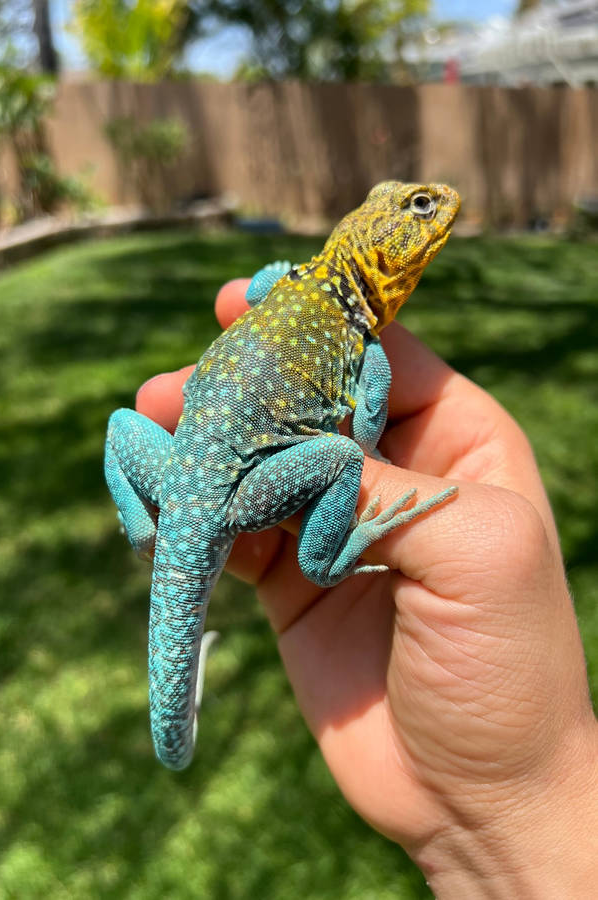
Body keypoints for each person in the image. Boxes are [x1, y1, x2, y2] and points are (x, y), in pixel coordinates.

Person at [136, 278, 598, 897]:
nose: (433, 221)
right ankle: (324, 563)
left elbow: (264, 281)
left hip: (182, 478)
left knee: (125, 420)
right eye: (417, 211)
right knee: (348, 462)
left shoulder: (293, 282)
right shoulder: (361, 337)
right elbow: (367, 423)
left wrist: (155, 530)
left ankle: (144, 528)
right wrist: (367, 451)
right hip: (229, 492)